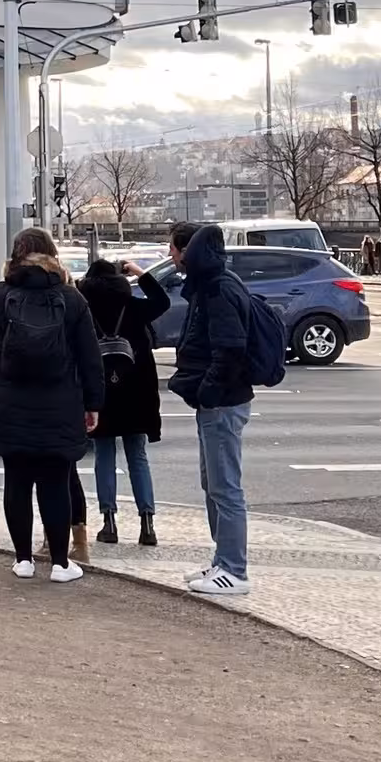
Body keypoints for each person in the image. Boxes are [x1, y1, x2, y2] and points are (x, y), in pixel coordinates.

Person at [0, 227, 103, 584]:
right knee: (56, 482)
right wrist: (93, 403)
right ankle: (60, 563)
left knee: (16, 481)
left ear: (15, 255)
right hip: (61, 404)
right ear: (52, 254)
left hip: (9, 403)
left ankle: (23, 560)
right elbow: (90, 358)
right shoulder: (71, 299)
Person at [167, 222, 253, 600]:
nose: (170, 255)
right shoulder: (214, 284)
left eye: (173, 248)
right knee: (214, 485)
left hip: (222, 402)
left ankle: (234, 569)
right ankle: (222, 562)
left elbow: (230, 348)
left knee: (225, 487)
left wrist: (208, 391)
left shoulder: (218, 288)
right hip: (218, 401)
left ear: (189, 251)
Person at [79, 257, 170, 548]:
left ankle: (109, 522)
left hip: (101, 391)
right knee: (137, 456)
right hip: (136, 391)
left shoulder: (84, 309)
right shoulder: (132, 306)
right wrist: (141, 273)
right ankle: (147, 524)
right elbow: (162, 301)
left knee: (104, 455)